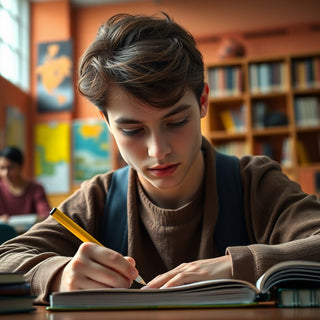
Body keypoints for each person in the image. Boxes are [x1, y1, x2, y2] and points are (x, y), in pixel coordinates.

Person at [0, 13, 320, 304]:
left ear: (203, 101)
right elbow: (7, 257)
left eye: (176, 122)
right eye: (132, 129)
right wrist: (58, 274)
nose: (158, 150)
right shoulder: (99, 198)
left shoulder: (254, 183)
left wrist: (239, 265)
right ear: (107, 122)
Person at [0, 146, 51, 222]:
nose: (5, 173)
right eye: (2, 168)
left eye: (11, 168)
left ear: (21, 166)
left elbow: (46, 214)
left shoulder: (36, 188)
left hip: (31, 233)